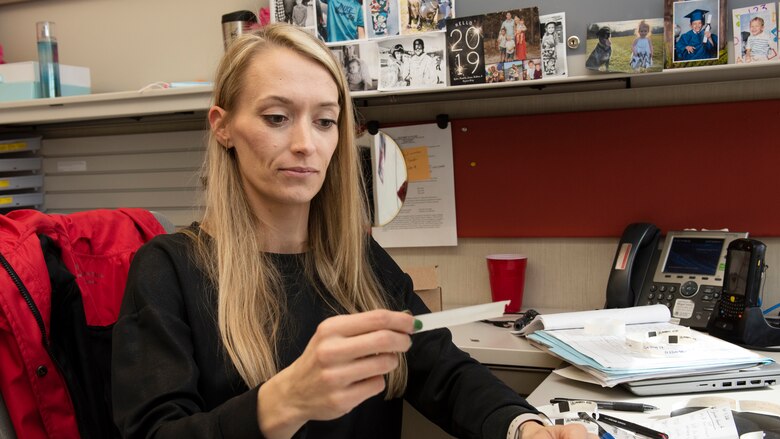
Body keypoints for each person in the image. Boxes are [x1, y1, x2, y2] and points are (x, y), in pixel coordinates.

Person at [111, 22, 590, 439]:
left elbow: (441, 368)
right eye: (277, 118)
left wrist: (524, 427)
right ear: (224, 127)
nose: (305, 144)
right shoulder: (167, 270)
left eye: (324, 121)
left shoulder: (356, 260)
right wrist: (284, 401)